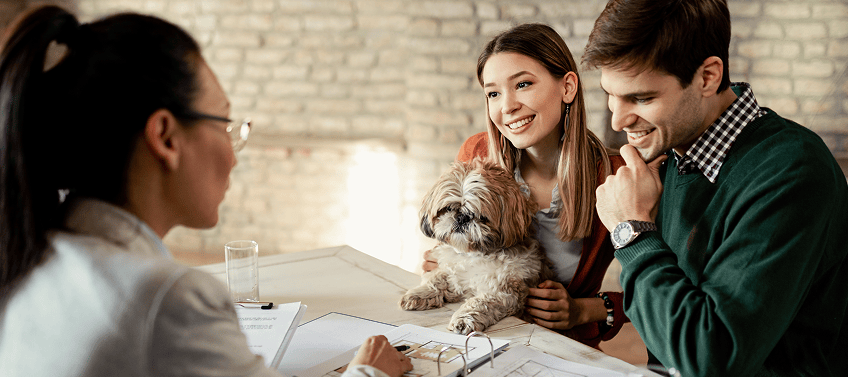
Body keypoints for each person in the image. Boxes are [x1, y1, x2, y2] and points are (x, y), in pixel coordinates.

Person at [0, 6, 413, 377]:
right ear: (165, 137)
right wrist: (367, 372)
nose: (234, 155)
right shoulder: (170, 300)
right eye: (224, 124)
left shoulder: (30, 250)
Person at [584, 0, 848, 375]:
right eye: (610, 93)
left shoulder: (794, 172)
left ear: (707, 76)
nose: (619, 118)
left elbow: (712, 359)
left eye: (641, 98)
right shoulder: (675, 153)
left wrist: (632, 232)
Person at [422, 23, 627, 349]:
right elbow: (448, 241)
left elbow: (661, 287)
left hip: (558, 350)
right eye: (493, 93)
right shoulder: (477, 153)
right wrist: (447, 259)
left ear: (568, 87)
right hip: (476, 341)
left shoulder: (615, 176)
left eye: (523, 84)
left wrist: (583, 310)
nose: (507, 106)